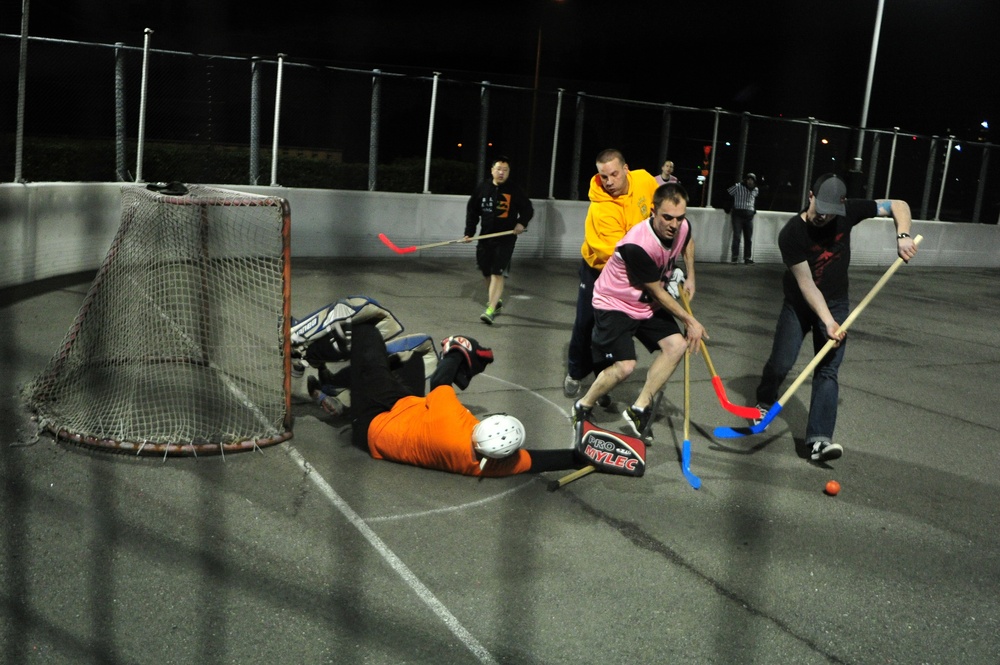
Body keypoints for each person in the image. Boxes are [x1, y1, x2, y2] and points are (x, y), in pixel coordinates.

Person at [751, 173, 917, 462]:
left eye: (831, 212)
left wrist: (902, 236)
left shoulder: (848, 211)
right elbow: (806, 285)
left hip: (838, 301)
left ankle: (818, 440)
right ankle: (764, 400)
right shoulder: (792, 233)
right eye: (820, 208)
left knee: (827, 370)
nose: (824, 217)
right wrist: (828, 321)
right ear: (811, 196)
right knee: (781, 363)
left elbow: (898, 205)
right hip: (800, 304)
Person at [347, 321, 580, 476]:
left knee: (368, 339)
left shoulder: (450, 423)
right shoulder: (493, 465)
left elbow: (439, 380)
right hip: (404, 412)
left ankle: (342, 340)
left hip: (371, 422)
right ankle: (336, 384)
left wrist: (457, 350)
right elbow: (541, 460)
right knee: (411, 361)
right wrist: (583, 458)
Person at [570, 183, 706, 441]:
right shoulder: (638, 244)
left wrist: (691, 277)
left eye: (679, 218)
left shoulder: (682, 226)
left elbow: (687, 240)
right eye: (667, 217)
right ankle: (584, 404)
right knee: (625, 367)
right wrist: (690, 320)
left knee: (676, 346)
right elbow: (658, 292)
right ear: (653, 212)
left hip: (644, 303)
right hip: (615, 303)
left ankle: (639, 408)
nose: (674, 225)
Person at [564, 149, 659, 399]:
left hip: (633, 266)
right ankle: (575, 371)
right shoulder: (601, 209)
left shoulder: (644, 180)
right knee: (586, 322)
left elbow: (658, 206)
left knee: (610, 327)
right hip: (600, 270)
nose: (609, 182)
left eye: (614, 174)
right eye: (603, 176)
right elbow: (621, 254)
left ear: (626, 169)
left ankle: (602, 378)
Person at [464, 156, 534, 325]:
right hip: (485, 236)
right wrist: (469, 232)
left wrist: (521, 223)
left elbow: (528, 209)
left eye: (505, 170)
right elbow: (472, 211)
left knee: (497, 271)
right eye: (499, 169)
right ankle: (495, 298)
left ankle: (491, 308)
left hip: (505, 238)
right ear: (492, 170)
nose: (501, 173)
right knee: (486, 270)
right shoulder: (483, 188)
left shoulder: (514, 190)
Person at [727, 172, 759, 264]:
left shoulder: (755, 190)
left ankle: (747, 258)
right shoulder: (738, 186)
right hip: (738, 214)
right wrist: (729, 206)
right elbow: (728, 193)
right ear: (746, 180)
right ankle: (734, 257)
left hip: (749, 215)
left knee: (748, 238)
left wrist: (754, 209)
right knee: (737, 236)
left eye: (752, 180)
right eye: (748, 179)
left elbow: (755, 200)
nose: (750, 181)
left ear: (754, 181)